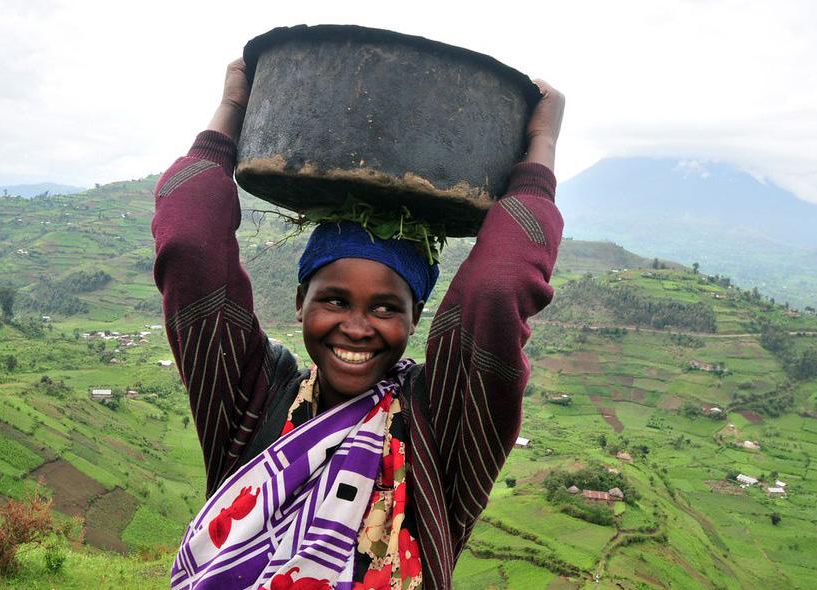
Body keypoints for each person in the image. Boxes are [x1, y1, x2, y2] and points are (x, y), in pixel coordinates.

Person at [154, 57, 564, 590]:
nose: (356, 326)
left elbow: (497, 288)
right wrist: (231, 108)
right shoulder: (251, 402)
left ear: (417, 318)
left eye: (386, 308)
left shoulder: (441, 430)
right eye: (335, 300)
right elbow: (187, 245)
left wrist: (541, 148)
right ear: (301, 301)